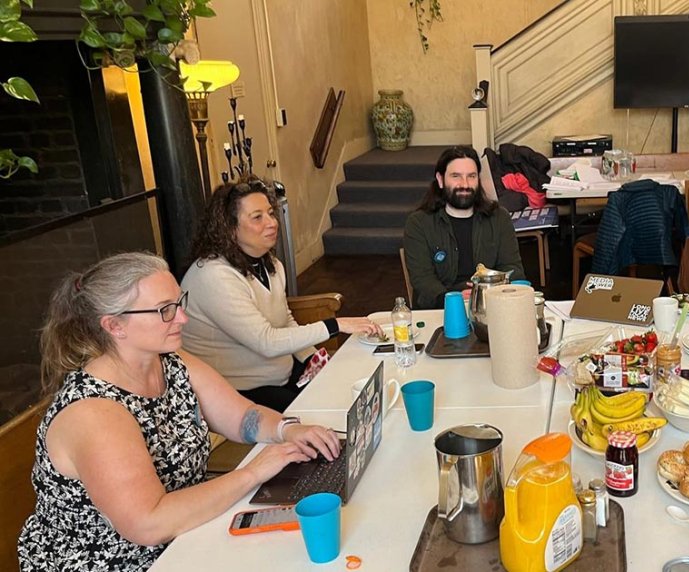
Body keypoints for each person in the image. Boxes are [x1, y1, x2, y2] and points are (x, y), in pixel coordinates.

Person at [18, 252, 341, 571]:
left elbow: (242, 417)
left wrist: (288, 429)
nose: (182, 318)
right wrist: (254, 472)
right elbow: (149, 524)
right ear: (115, 325)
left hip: (186, 535)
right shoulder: (93, 412)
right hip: (121, 561)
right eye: (165, 310)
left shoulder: (170, 361)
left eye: (178, 302)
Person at [182, 179, 381, 412]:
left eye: (270, 213)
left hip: (281, 374)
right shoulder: (213, 275)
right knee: (324, 419)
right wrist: (335, 325)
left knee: (356, 392)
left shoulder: (270, 264)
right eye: (257, 217)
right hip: (236, 392)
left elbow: (284, 321)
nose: (272, 223)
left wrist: (312, 359)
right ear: (230, 227)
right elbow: (266, 342)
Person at [403, 145, 526, 309]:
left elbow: (513, 268)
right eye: (456, 176)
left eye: (472, 176)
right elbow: (423, 280)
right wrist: (454, 300)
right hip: (441, 309)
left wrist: (489, 294)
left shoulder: (499, 218)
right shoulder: (419, 223)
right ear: (440, 180)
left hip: (492, 305)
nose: (465, 184)